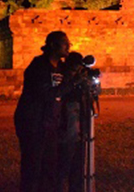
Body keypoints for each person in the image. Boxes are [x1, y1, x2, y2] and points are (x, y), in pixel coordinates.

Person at [14, 31, 73, 192]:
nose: (69, 46)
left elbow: (64, 95)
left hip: (51, 125)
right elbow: (46, 94)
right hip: (34, 124)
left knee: (50, 167)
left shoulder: (62, 67)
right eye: (65, 43)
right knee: (32, 167)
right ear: (53, 45)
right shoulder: (38, 66)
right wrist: (71, 84)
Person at [56, 52, 85, 192]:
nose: (76, 73)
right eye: (74, 70)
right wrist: (74, 81)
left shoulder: (79, 78)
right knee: (63, 166)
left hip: (79, 130)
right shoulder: (61, 77)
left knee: (78, 168)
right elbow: (59, 94)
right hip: (66, 128)